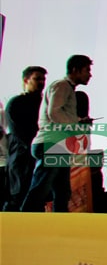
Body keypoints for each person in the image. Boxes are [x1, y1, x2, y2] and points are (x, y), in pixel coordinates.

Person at [21, 55, 92, 212]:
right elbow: (54, 112)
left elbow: (58, 113)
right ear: (75, 70)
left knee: (62, 191)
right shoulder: (62, 86)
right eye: (87, 70)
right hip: (51, 143)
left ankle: (58, 222)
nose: (90, 75)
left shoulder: (66, 88)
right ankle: (24, 220)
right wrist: (75, 126)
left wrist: (78, 121)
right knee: (41, 189)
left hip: (57, 145)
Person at [5, 65, 45, 210]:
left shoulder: (43, 104)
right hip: (22, 159)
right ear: (26, 80)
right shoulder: (16, 103)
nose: (41, 82)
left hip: (37, 157)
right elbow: (19, 134)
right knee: (18, 198)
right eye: (37, 79)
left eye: (43, 79)